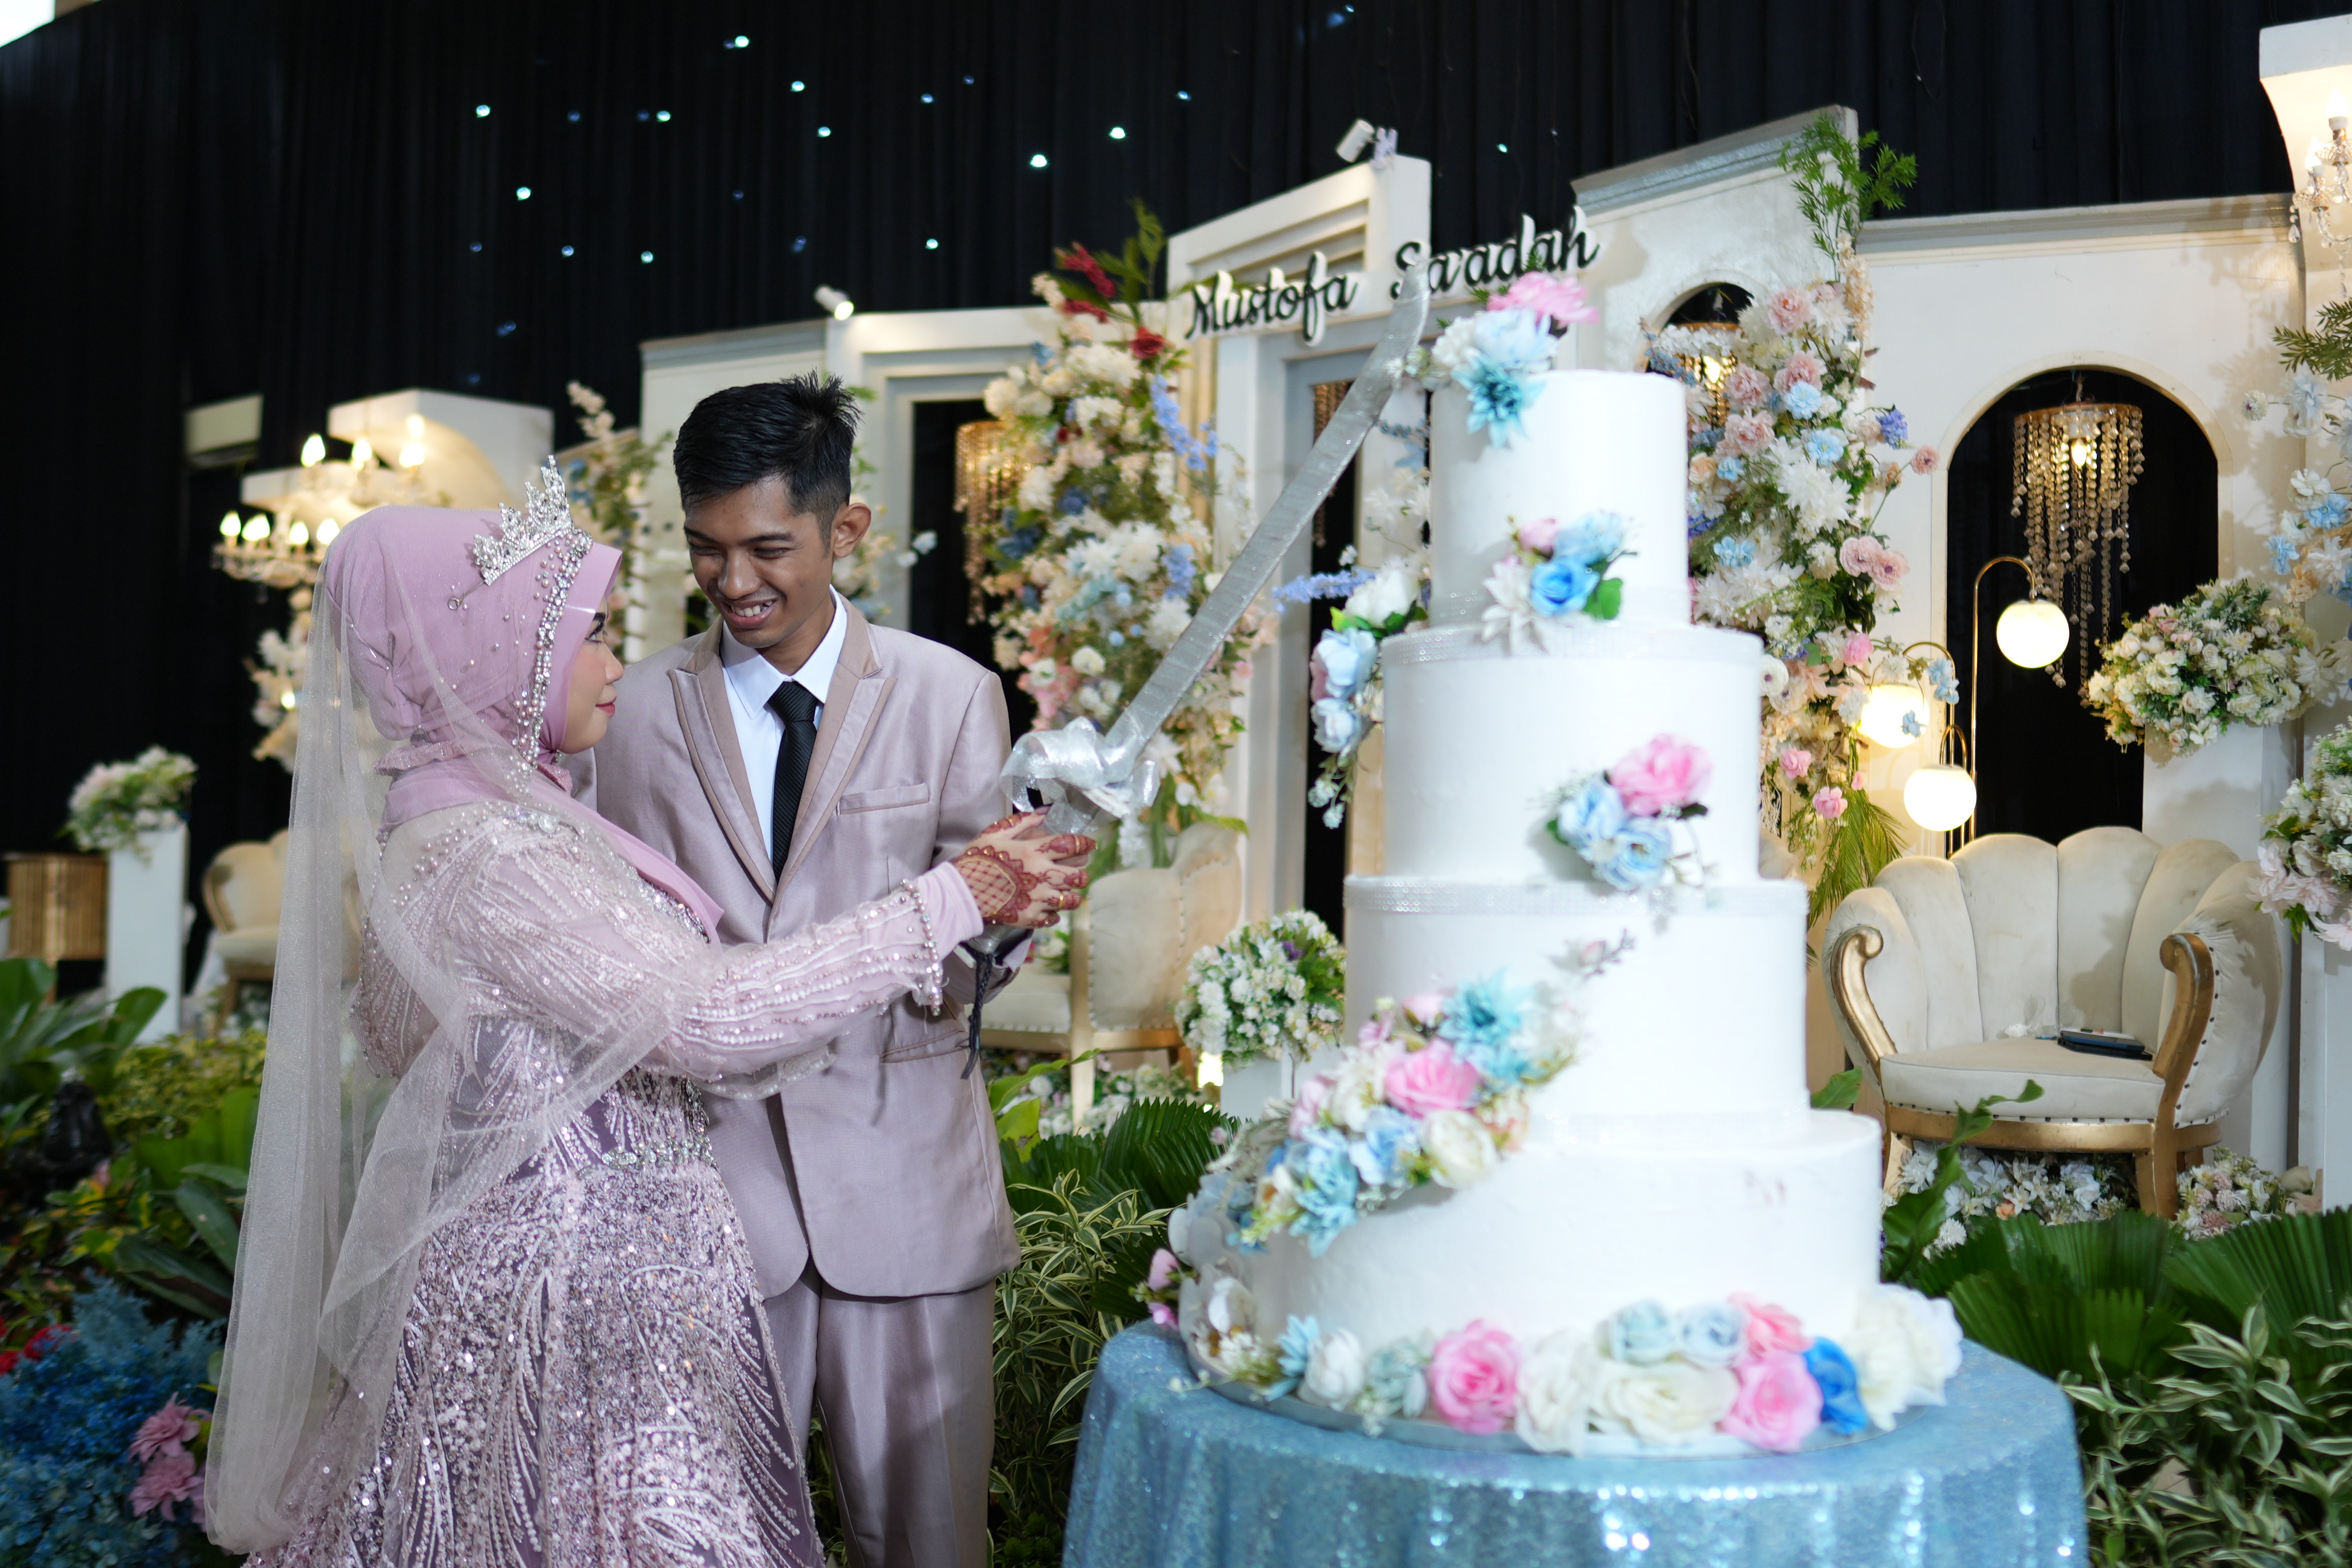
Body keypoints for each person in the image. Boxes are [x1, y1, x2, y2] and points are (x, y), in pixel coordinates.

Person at [203, 481, 1089, 1562]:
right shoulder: (491, 854)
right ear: (493, 661)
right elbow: (711, 1015)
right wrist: (952, 895)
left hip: (621, 1282)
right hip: (572, 1312)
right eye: (584, 638)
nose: (614, 662)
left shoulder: (479, 820)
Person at [583, 375, 1028, 1568]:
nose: (734, 581)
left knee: (930, 1543)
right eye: (707, 548)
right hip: (708, 1205)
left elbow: (988, 941)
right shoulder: (631, 716)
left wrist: (1004, 923)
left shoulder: (951, 695)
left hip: (908, 1186)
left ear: (846, 530)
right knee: (712, 1545)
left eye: (768, 548)